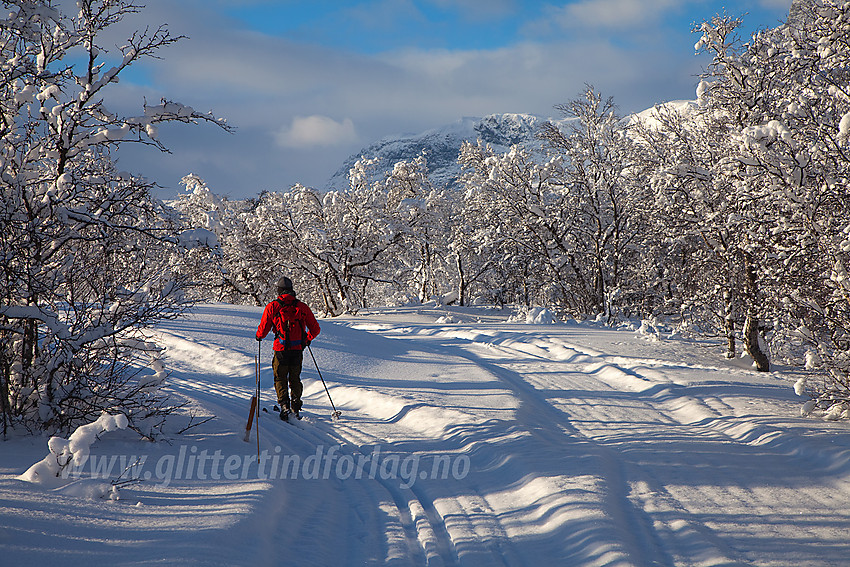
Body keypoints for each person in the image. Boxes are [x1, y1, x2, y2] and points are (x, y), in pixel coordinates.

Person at [256, 277, 321, 421]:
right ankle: (295, 406)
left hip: (280, 349)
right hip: (298, 349)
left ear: (279, 290)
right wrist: (306, 339)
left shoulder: (273, 306)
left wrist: (259, 336)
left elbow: (264, 327)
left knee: (280, 377)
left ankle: (284, 405)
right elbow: (316, 329)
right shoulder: (302, 307)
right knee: (295, 378)